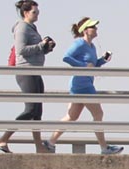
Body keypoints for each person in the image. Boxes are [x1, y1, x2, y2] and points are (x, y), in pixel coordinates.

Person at [46, 18, 122, 154]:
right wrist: (83, 66)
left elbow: (93, 66)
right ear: (86, 30)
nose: (96, 29)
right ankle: (104, 148)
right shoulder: (79, 43)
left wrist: (102, 60)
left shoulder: (92, 47)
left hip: (83, 84)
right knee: (98, 114)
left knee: (72, 116)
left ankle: (50, 142)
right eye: (93, 27)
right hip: (82, 85)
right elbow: (66, 57)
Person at [0, 1, 55, 154]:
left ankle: (39, 147)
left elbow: (35, 50)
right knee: (30, 109)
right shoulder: (22, 27)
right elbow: (21, 50)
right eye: (34, 12)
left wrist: (46, 48)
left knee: (37, 112)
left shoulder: (32, 28)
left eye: (38, 12)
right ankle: (3, 139)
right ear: (26, 13)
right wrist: (41, 45)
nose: (37, 15)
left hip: (35, 72)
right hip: (26, 71)